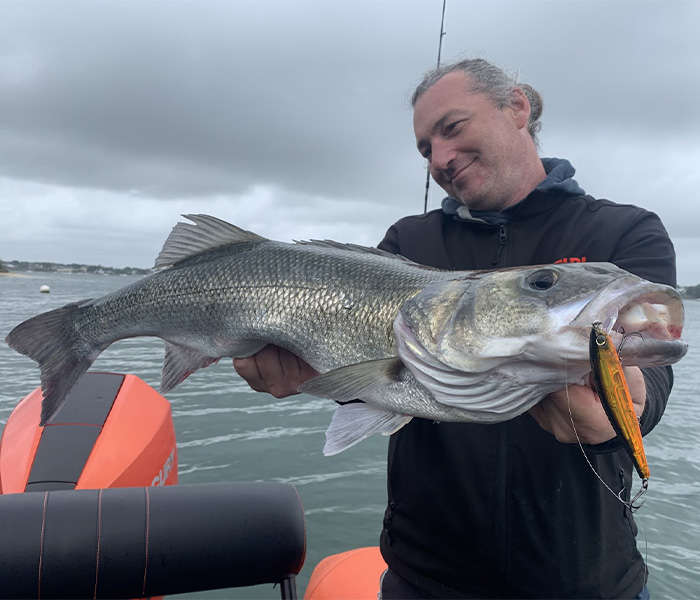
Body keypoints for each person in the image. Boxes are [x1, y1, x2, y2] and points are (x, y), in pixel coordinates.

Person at [234, 58, 675, 599]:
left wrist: (624, 412)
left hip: (588, 581)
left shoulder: (624, 231)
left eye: (453, 128)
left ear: (517, 108)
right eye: (425, 149)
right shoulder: (407, 242)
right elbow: (372, 385)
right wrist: (307, 376)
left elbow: (651, 381)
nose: (441, 158)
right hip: (425, 579)